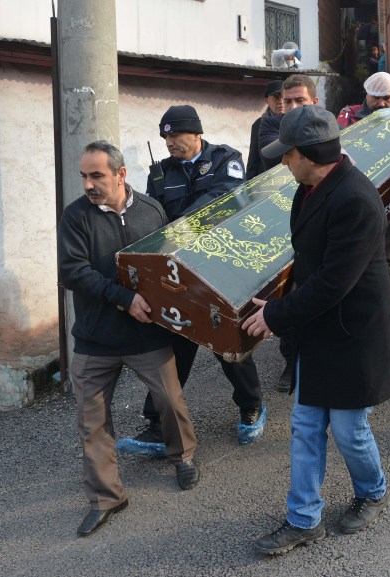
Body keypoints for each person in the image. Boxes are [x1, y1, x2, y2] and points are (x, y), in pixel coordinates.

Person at [244, 106, 390, 555]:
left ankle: (373, 491)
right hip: (319, 328)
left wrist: (276, 315)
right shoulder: (309, 188)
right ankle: (304, 518)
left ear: (311, 153)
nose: (283, 161)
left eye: (289, 154)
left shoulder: (355, 199)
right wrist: (280, 304)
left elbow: (333, 284)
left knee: (348, 430)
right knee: (304, 425)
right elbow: (307, 264)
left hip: (354, 332)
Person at [58, 141, 199, 537]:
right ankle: (107, 497)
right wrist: (124, 298)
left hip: (146, 335)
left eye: (96, 175)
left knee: (170, 401)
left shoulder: (152, 210)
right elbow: (73, 272)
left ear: (120, 174)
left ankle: (183, 456)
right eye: (84, 176)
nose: (88, 184)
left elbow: (169, 261)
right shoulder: (76, 217)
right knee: (93, 421)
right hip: (94, 338)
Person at [136, 105, 265, 447]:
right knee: (174, 340)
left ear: (196, 133)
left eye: (176, 135)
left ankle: (251, 406)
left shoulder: (225, 159)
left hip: (222, 264)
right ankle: (156, 421)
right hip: (180, 270)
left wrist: (181, 228)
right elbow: (154, 215)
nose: (169, 142)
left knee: (227, 341)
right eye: (165, 136)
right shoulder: (161, 173)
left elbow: (224, 198)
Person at [258, 75, 319, 392]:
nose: (292, 107)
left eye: (300, 101)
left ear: (314, 103)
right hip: (281, 217)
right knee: (288, 288)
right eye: (287, 101)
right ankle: (291, 360)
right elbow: (259, 171)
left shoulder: (325, 132)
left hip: (314, 217)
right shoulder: (270, 130)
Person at [336, 71, 390, 286]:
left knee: (388, 261)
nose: (381, 103)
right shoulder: (348, 116)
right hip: (357, 202)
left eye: (387, 97)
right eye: (375, 97)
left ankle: (383, 311)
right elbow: (338, 153)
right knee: (354, 260)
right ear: (366, 94)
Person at [246, 80, 284, 179]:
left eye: (283, 97)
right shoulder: (258, 124)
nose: (280, 101)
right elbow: (253, 159)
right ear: (266, 100)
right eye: (276, 98)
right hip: (266, 178)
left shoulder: (294, 120)